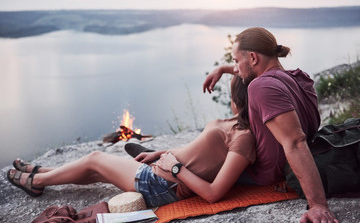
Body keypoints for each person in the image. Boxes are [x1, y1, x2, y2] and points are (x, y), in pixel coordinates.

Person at [7, 76, 256, 208]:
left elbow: (213, 194)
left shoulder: (243, 138)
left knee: (95, 159)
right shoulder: (233, 123)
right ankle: (43, 171)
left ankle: (37, 181)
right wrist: (161, 152)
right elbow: (200, 154)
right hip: (161, 172)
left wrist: (174, 167)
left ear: (236, 96)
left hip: (161, 186)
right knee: (95, 171)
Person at [203, 27, 339, 223]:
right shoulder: (301, 78)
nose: (235, 67)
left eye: (235, 61)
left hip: (265, 174)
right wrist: (222, 69)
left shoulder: (260, 87)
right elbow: (245, 69)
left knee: (183, 171)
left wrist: (318, 205)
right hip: (286, 164)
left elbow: (295, 142)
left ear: (253, 58)